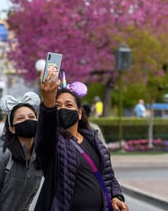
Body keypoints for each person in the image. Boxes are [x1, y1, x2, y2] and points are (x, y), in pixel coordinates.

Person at [35, 69, 129, 211]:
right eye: (57, 106)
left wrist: (116, 197)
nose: (62, 109)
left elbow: (108, 176)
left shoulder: (93, 140)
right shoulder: (54, 145)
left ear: (79, 113)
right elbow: (45, 135)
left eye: (69, 105)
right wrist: (48, 104)